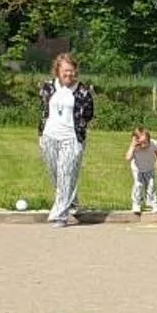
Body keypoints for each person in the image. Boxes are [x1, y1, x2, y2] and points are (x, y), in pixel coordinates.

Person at [36, 55, 93, 227]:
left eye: (71, 70)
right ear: (58, 71)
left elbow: (89, 114)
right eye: (64, 70)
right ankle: (73, 204)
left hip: (71, 138)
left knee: (66, 173)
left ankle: (60, 215)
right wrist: (41, 133)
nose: (68, 74)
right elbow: (44, 110)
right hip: (50, 136)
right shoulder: (47, 87)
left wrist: (80, 128)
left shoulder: (82, 91)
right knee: (56, 175)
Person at [124, 127, 157, 217]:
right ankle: (137, 203)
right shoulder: (135, 147)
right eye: (141, 143)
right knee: (138, 185)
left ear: (149, 139)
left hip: (150, 168)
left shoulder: (153, 143)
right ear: (136, 141)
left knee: (151, 184)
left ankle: (152, 202)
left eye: (146, 142)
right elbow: (128, 158)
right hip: (138, 170)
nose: (143, 145)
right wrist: (133, 146)